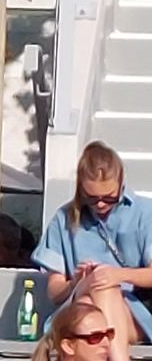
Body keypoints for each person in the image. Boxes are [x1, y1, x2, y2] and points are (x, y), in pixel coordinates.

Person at [34, 142, 152, 348]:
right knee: (91, 295)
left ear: (121, 183)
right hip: (78, 306)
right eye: (92, 198)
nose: (101, 204)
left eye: (110, 198)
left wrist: (117, 275)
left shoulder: (144, 213)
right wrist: (76, 281)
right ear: (80, 188)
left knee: (100, 287)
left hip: (131, 310)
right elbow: (54, 292)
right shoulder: (63, 219)